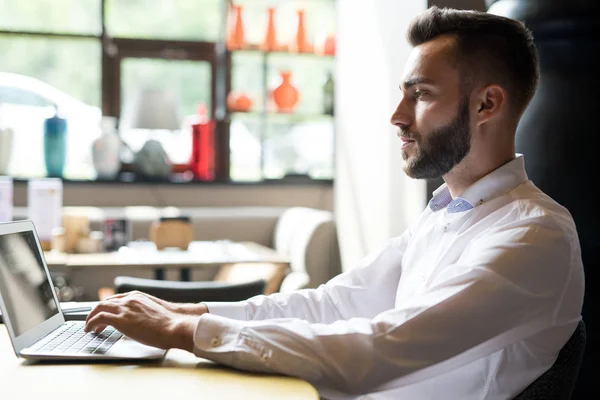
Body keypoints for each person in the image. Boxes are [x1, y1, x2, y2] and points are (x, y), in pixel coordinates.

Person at [84, 7, 584, 399]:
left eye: (421, 95)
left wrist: (185, 331)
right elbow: (332, 303)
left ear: (486, 104)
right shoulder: (446, 214)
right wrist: (194, 310)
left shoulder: (533, 236)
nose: (397, 115)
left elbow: (380, 348)